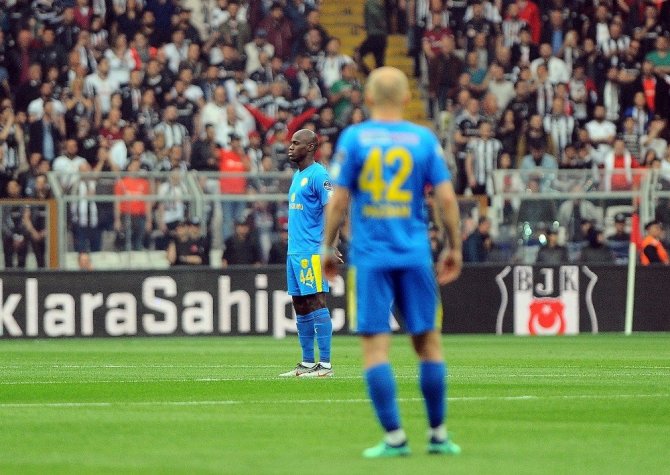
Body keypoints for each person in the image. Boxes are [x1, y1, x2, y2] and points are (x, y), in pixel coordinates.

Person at [322, 67, 462, 458]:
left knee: (375, 349)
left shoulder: (355, 138)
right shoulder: (423, 139)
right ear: (406, 98)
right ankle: (438, 435)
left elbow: (339, 200)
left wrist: (326, 247)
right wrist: (454, 247)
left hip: (371, 256)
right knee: (428, 344)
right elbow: (446, 199)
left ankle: (395, 438)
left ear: (367, 99)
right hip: (415, 253)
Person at [279, 129, 336, 378]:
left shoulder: (319, 175)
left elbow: (333, 209)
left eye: (296, 143)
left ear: (310, 147)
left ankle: (325, 365)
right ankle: (306, 362)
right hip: (295, 251)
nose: (290, 147)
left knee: (316, 302)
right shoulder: (297, 175)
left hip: (312, 250)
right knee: (300, 304)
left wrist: (330, 245)